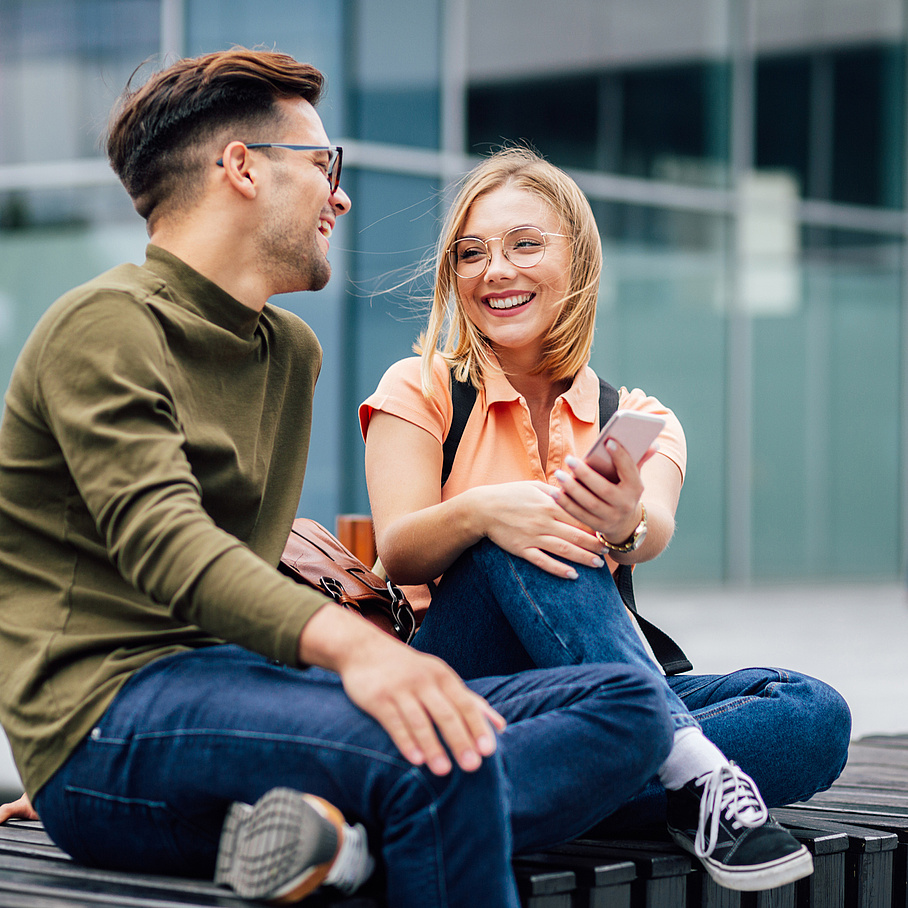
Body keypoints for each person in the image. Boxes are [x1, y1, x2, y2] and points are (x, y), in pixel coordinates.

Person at [0, 49, 681, 908]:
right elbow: (170, 550)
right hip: (108, 721)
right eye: (324, 165)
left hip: (241, 700)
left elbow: (247, 576)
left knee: (629, 703)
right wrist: (361, 656)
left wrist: (317, 703)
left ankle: (342, 840)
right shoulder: (104, 326)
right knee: (444, 754)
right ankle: (379, 816)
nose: (341, 195)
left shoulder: (287, 354)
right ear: (242, 167)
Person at [360, 147, 852, 892]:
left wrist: (623, 524)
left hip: (607, 688)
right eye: (473, 253)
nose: (496, 270)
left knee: (815, 713)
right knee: (522, 528)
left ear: (579, 259)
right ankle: (689, 771)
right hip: (466, 680)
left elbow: (651, 527)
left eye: (525, 244)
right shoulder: (421, 384)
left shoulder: (639, 417)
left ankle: (532, 789)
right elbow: (398, 553)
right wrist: (488, 510)